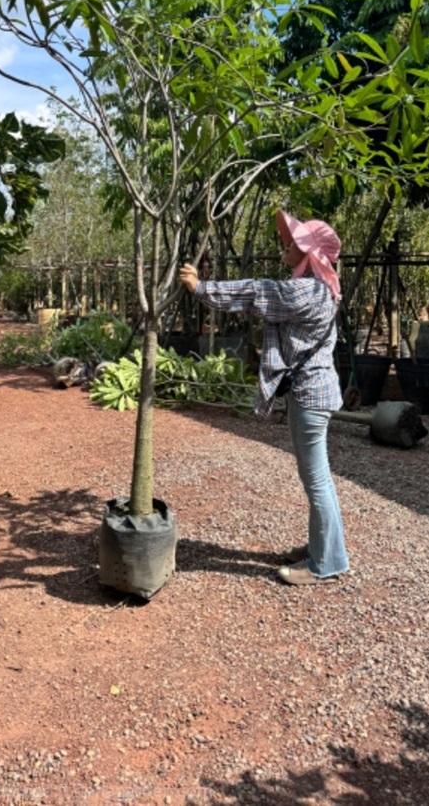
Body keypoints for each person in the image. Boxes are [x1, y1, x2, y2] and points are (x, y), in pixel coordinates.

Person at [179, 210, 349, 586]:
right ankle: (322, 548)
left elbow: (260, 292)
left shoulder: (307, 289)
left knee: (317, 479)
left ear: (309, 253)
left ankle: (327, 561)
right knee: (316, 478)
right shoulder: (319, 287)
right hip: (313, 392)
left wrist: (203, 288)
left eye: (295, 244)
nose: (286, 246)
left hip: (310, 394)